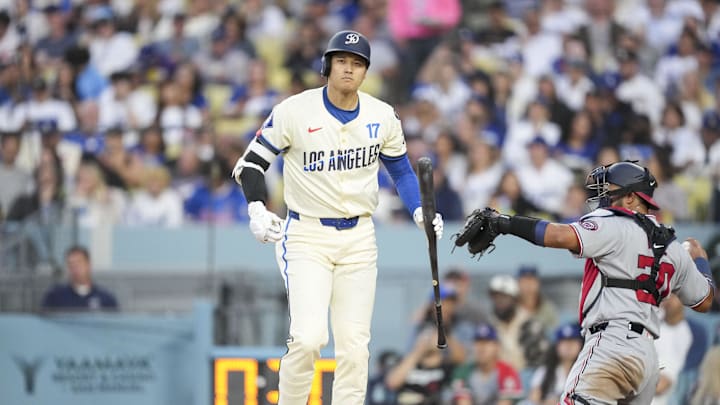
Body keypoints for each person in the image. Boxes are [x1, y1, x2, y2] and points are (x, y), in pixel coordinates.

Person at [230, 30, 443, 404]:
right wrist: (256, 207)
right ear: (327, 65)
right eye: (342, 60)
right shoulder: (294, 111)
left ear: (365, 72)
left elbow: (403, 171)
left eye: (357, 63)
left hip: (360, 236)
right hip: (307, 234)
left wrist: (420, 211)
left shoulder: (382, 115)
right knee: (309, 338)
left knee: (355, 348)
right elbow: (250, 164)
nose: (349, 69)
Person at [455, 160, 716, 404]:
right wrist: (701, 261)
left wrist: (503, 223)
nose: (604, 196)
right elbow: (704, 300)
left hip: (611, 345)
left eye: (610, 190)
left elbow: (558, 236)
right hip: (647, 358)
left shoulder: (615, 222)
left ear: (631, 197)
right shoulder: (673, 246)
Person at [450, 322, 524, 405]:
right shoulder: (463, 371)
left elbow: (505, 403)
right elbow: (463, 402)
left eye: (487, 342)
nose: (482, 347)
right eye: (478, 342)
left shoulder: (507, 371)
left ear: (497, 346)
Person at [41, 245, 118, 311]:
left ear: (88, 265)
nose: (75, 268)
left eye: (79, 263)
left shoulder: (106, 299)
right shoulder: (55, 297)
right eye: (71, 264)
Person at [526, 323, 584, 405]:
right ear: (557, 346)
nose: (568, 346)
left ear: (580, 344)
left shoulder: (585, 370)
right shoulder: (545, 370)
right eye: (564, 342)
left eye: (572, 342)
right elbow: (534, 397)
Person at [653, 293, 693, 405]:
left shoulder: (683, 335)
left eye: (675, 296)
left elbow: (661, 385)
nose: (668, 300)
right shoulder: (653, 319)